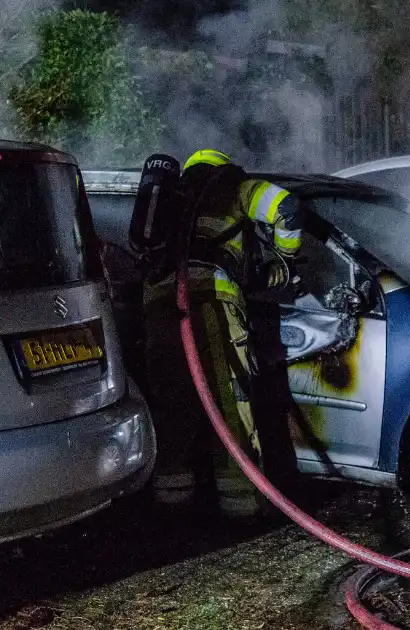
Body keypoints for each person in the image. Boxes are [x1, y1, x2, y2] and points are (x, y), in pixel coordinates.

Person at [142, 149, 304, 518]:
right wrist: (285, 259)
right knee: (231, 403)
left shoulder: (170, 197)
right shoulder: (235, 188)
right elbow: (288, 208)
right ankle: (241, 506)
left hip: (158, 306)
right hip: (210, 302)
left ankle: (171, 504)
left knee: (172, 404)